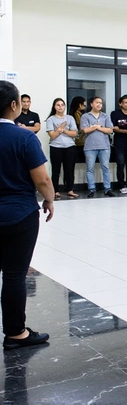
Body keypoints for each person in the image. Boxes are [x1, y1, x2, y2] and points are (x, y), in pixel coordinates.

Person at [0, 81, 53, 350]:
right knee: (13, 275)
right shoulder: (23, 137)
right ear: (14, 105)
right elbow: (42, 178)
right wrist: (50, 200)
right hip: (18, 214)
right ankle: (15, 333)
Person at [80, 97, 115, 198]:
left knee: (105, 167)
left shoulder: (105, 116)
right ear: (91, 104)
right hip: (90, 146)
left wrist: (97, 128)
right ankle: (91, 189)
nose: (99, 105)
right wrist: (96, 127)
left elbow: (110, 130)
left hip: (104, 146)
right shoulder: (85, 116)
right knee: (90, 168)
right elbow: (85, 130)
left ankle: (107, 189)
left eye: (101, 103)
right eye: (97, 103)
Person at [45, 98, 78, 200]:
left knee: (69, 169)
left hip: (69, 146)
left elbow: (74, 133)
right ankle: (55, 190)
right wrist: (61, 130)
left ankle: (70, 190)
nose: (60, 107)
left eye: (62, 105)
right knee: (56, 170)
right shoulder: (50, 119)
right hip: (56, 147)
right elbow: (52, 136)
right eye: (58, 105)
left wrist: (61, 130)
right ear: (54, 107)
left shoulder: (70, 118)